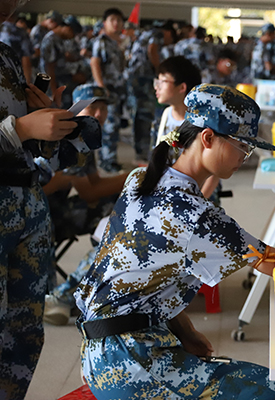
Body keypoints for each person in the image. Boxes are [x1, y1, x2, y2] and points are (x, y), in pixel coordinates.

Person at [74, 84, 275, 399]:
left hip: (101, 351)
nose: (245, 157)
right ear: (208, 138)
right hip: (129, 361)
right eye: (242, 146)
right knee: (267, 389)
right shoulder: (196, 216)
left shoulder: (140, 180)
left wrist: (185, 331)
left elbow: (144, 276)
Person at [0, 1, 97, 396]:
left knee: (22, 333)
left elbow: (24, 144)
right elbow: (14, 131)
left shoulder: (6, 55)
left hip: (24, 204)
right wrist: (21, 128)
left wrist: (47, 121)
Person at [42, 83, 129, 326]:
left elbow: (93, 185)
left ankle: (99, 279)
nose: (99, 114)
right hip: (43, 215)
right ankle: (70, 292)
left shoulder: (86, 137)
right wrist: (133, 177)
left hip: (54, 209)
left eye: (103, 108)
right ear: (77, 109)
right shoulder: (71, 138)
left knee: (119, 213)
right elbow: (89, 192)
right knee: (118, 219)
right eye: (92, 108)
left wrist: (129, 180)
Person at [126, 22, 175, 164]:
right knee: (145, 115)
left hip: (135, 77)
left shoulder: (144, 34)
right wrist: (160, 71)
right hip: (144, 78)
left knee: (140, 115)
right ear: (168, 32)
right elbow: (152, 49)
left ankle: (140, 152)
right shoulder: (156, 34)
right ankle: (143, 153)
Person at [91, 7, 127, 173]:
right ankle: (107, 160)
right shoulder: (102, 41)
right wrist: (101, 86)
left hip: (117, 90)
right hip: (107, 90)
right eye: (112, 20)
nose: (116, 23)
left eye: (119, 20)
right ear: (105, 23)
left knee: (114, 125)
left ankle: (109, 158)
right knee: (109, 126)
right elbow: (95, 63)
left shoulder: (117, 43)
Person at [39, 15, 83, 106]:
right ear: (68, 29)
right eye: (73, 34)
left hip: (61, 82)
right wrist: (54, 92)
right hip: (53, 85)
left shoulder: (58, 39)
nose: (72, 37)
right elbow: (49, 68)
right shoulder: (50, 40)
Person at [0, 15, 33, 83]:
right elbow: (26, 59)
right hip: (13, 74)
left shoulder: (3, 30)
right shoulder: (21, 33)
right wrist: (27, 83)